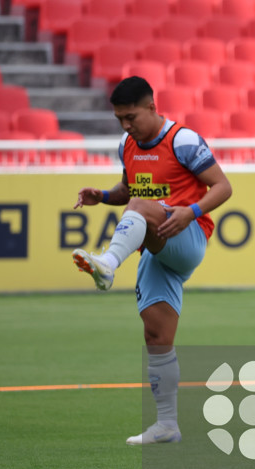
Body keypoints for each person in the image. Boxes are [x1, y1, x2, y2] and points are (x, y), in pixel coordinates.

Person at [71, 76, 232, 445]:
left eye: (131, 117)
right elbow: (129, 190)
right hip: (155, 248)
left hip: (186, 237)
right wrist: (104, 195)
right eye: (119, 120)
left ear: (151, 107)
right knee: (157, 337)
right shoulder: (128, 144)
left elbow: (223, 187)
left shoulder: (183, 140)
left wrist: (190, 212)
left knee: (141, 207)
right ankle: (167, 425)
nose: (126, 125)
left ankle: (109, 264)